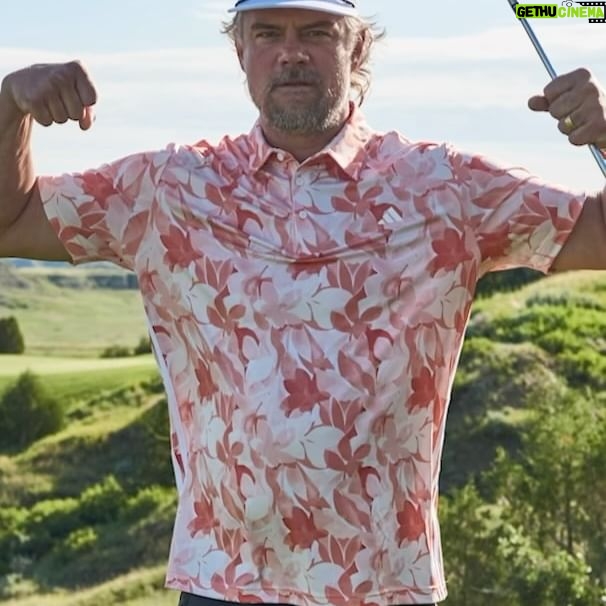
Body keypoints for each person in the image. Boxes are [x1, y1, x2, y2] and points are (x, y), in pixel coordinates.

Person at [0, 0, 605, 604]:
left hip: (386, 585)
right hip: (222, 581)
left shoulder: (446, 189)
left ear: (357, 48)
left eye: (316, 32)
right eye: (268, 33)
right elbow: (11, 221)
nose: (290, 53)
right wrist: (9, 107)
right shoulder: (169, 189)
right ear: (240, 50)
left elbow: (597, 234)